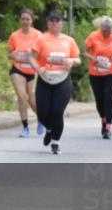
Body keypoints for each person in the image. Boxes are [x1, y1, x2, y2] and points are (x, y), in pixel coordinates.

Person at [30, 10, 81, 155]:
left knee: (57, 112)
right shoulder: (41, 39)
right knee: (43, 113)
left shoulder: (69, 40)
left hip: (63, 80)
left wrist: (71, 61)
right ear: (47, 23)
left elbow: (78, 60)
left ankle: (55, 142)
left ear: (62, 23)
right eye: (51, 20)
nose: (54, 23)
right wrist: (38, 69)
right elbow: (32, 57)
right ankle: (50, 129)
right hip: (45, 78)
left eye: (57, 20)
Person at [84, 16, 112, 139]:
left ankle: (108, 126)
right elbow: (86, 52)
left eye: (109, 30)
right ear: (100, 28)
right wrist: (93, 59)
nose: (106, 33)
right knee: (99, 100)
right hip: (96, 73)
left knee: (108, 98)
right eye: (104, 31)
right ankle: (103, 119)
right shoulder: (93, 36)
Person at [8, 9, 42, 137]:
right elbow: (9, 53)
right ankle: (25, 127)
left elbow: (43, 53)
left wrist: (31, 55)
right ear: (20, 20)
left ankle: (41, 119)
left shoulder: (38, 35)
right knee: (22, 97)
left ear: (32, 20)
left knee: (32, 99)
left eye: (27, 19)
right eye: (23, 19)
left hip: (32, 71)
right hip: (17, 69)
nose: (25, 21)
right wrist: (14, 55)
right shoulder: (14, 35)